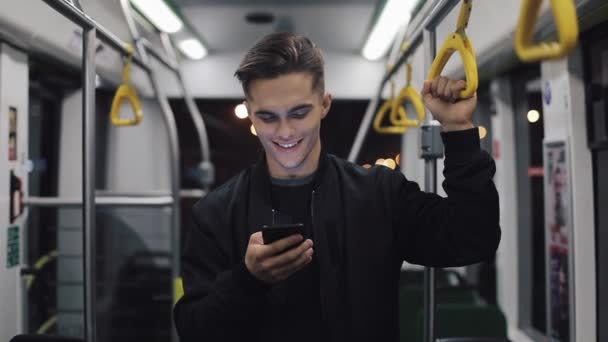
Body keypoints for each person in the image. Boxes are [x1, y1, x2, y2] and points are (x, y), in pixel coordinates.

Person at [174, 32, 500, 342]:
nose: (285, 132)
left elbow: (473, 239)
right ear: (250, 114)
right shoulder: (215, 213)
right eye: (268, 117)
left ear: (325, 104)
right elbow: (194, 331)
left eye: (299, 113)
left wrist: (458, 130)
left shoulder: (379, 195)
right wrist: (248, 280)